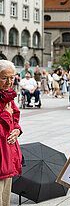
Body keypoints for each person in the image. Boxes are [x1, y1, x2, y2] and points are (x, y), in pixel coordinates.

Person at [0, 60, 22, 206]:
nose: (9, 82)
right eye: (4, 78)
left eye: (12, 77)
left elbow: (15, 120)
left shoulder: (7, 96)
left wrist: (17, 130)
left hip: (7, 157)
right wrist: (6, 115)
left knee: (5, 199)